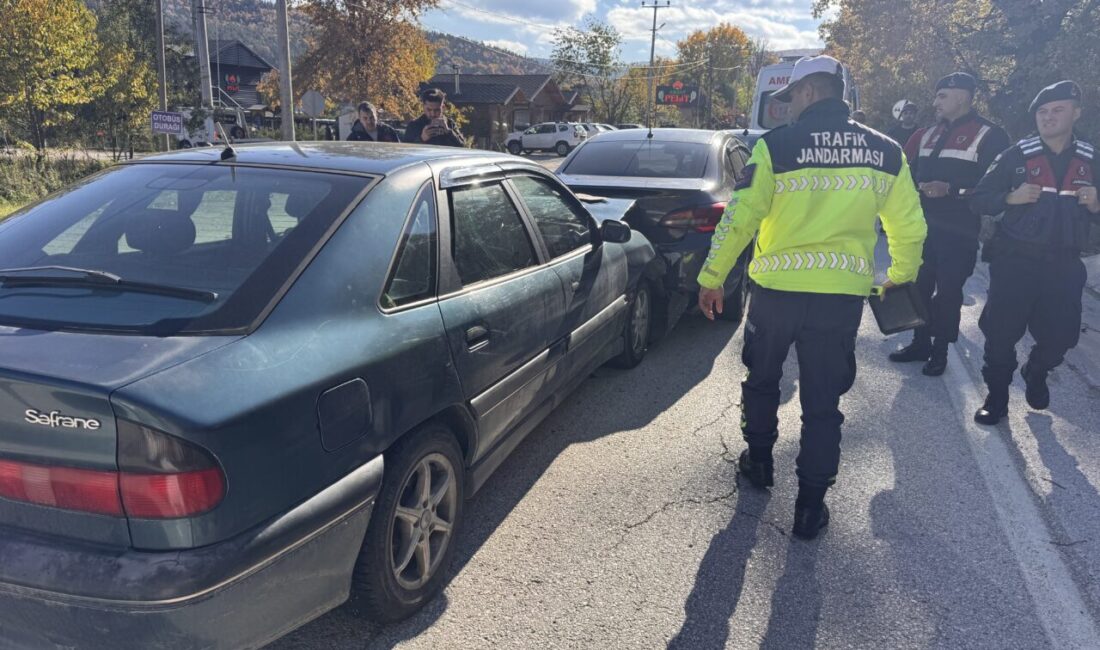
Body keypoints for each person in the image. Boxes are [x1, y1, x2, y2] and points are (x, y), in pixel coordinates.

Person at [697, 55, 926, 540]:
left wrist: (712, 277)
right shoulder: (885, 151)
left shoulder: (775, 146)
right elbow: (909, 226)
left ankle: (759, 463)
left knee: (762, 381)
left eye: (790, 98)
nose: (786, 108)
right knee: (823, 404)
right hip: (838, 301)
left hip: (776, 295)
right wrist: (899, 278)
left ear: (806, 93)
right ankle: (809, 507)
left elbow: (740, 218)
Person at [968, 81, 1100, 424]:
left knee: (1062, 337)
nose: (1048, 117)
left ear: (1076, 113)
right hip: (1015, 260)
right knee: (999, 335)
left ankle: (1036, 370)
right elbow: (978, 197)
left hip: (1065, 264)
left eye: (1058, 110)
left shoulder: (1091, 158)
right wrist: (1009, 198)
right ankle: (996, 398)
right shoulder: (1016, 155)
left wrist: (1096, 204)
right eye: (1042, 111)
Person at [887, 72, 1010, 375]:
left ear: (963, 96)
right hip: (923, 227)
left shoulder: (991, 135)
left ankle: (939, 350)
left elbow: (995, 188)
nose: (935, 102)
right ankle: (919, 343)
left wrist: (951, 190)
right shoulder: (927, 133)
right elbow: (907, 171)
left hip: (959, 230)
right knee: (918, 286)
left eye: (942, 96)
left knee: (949, 292)